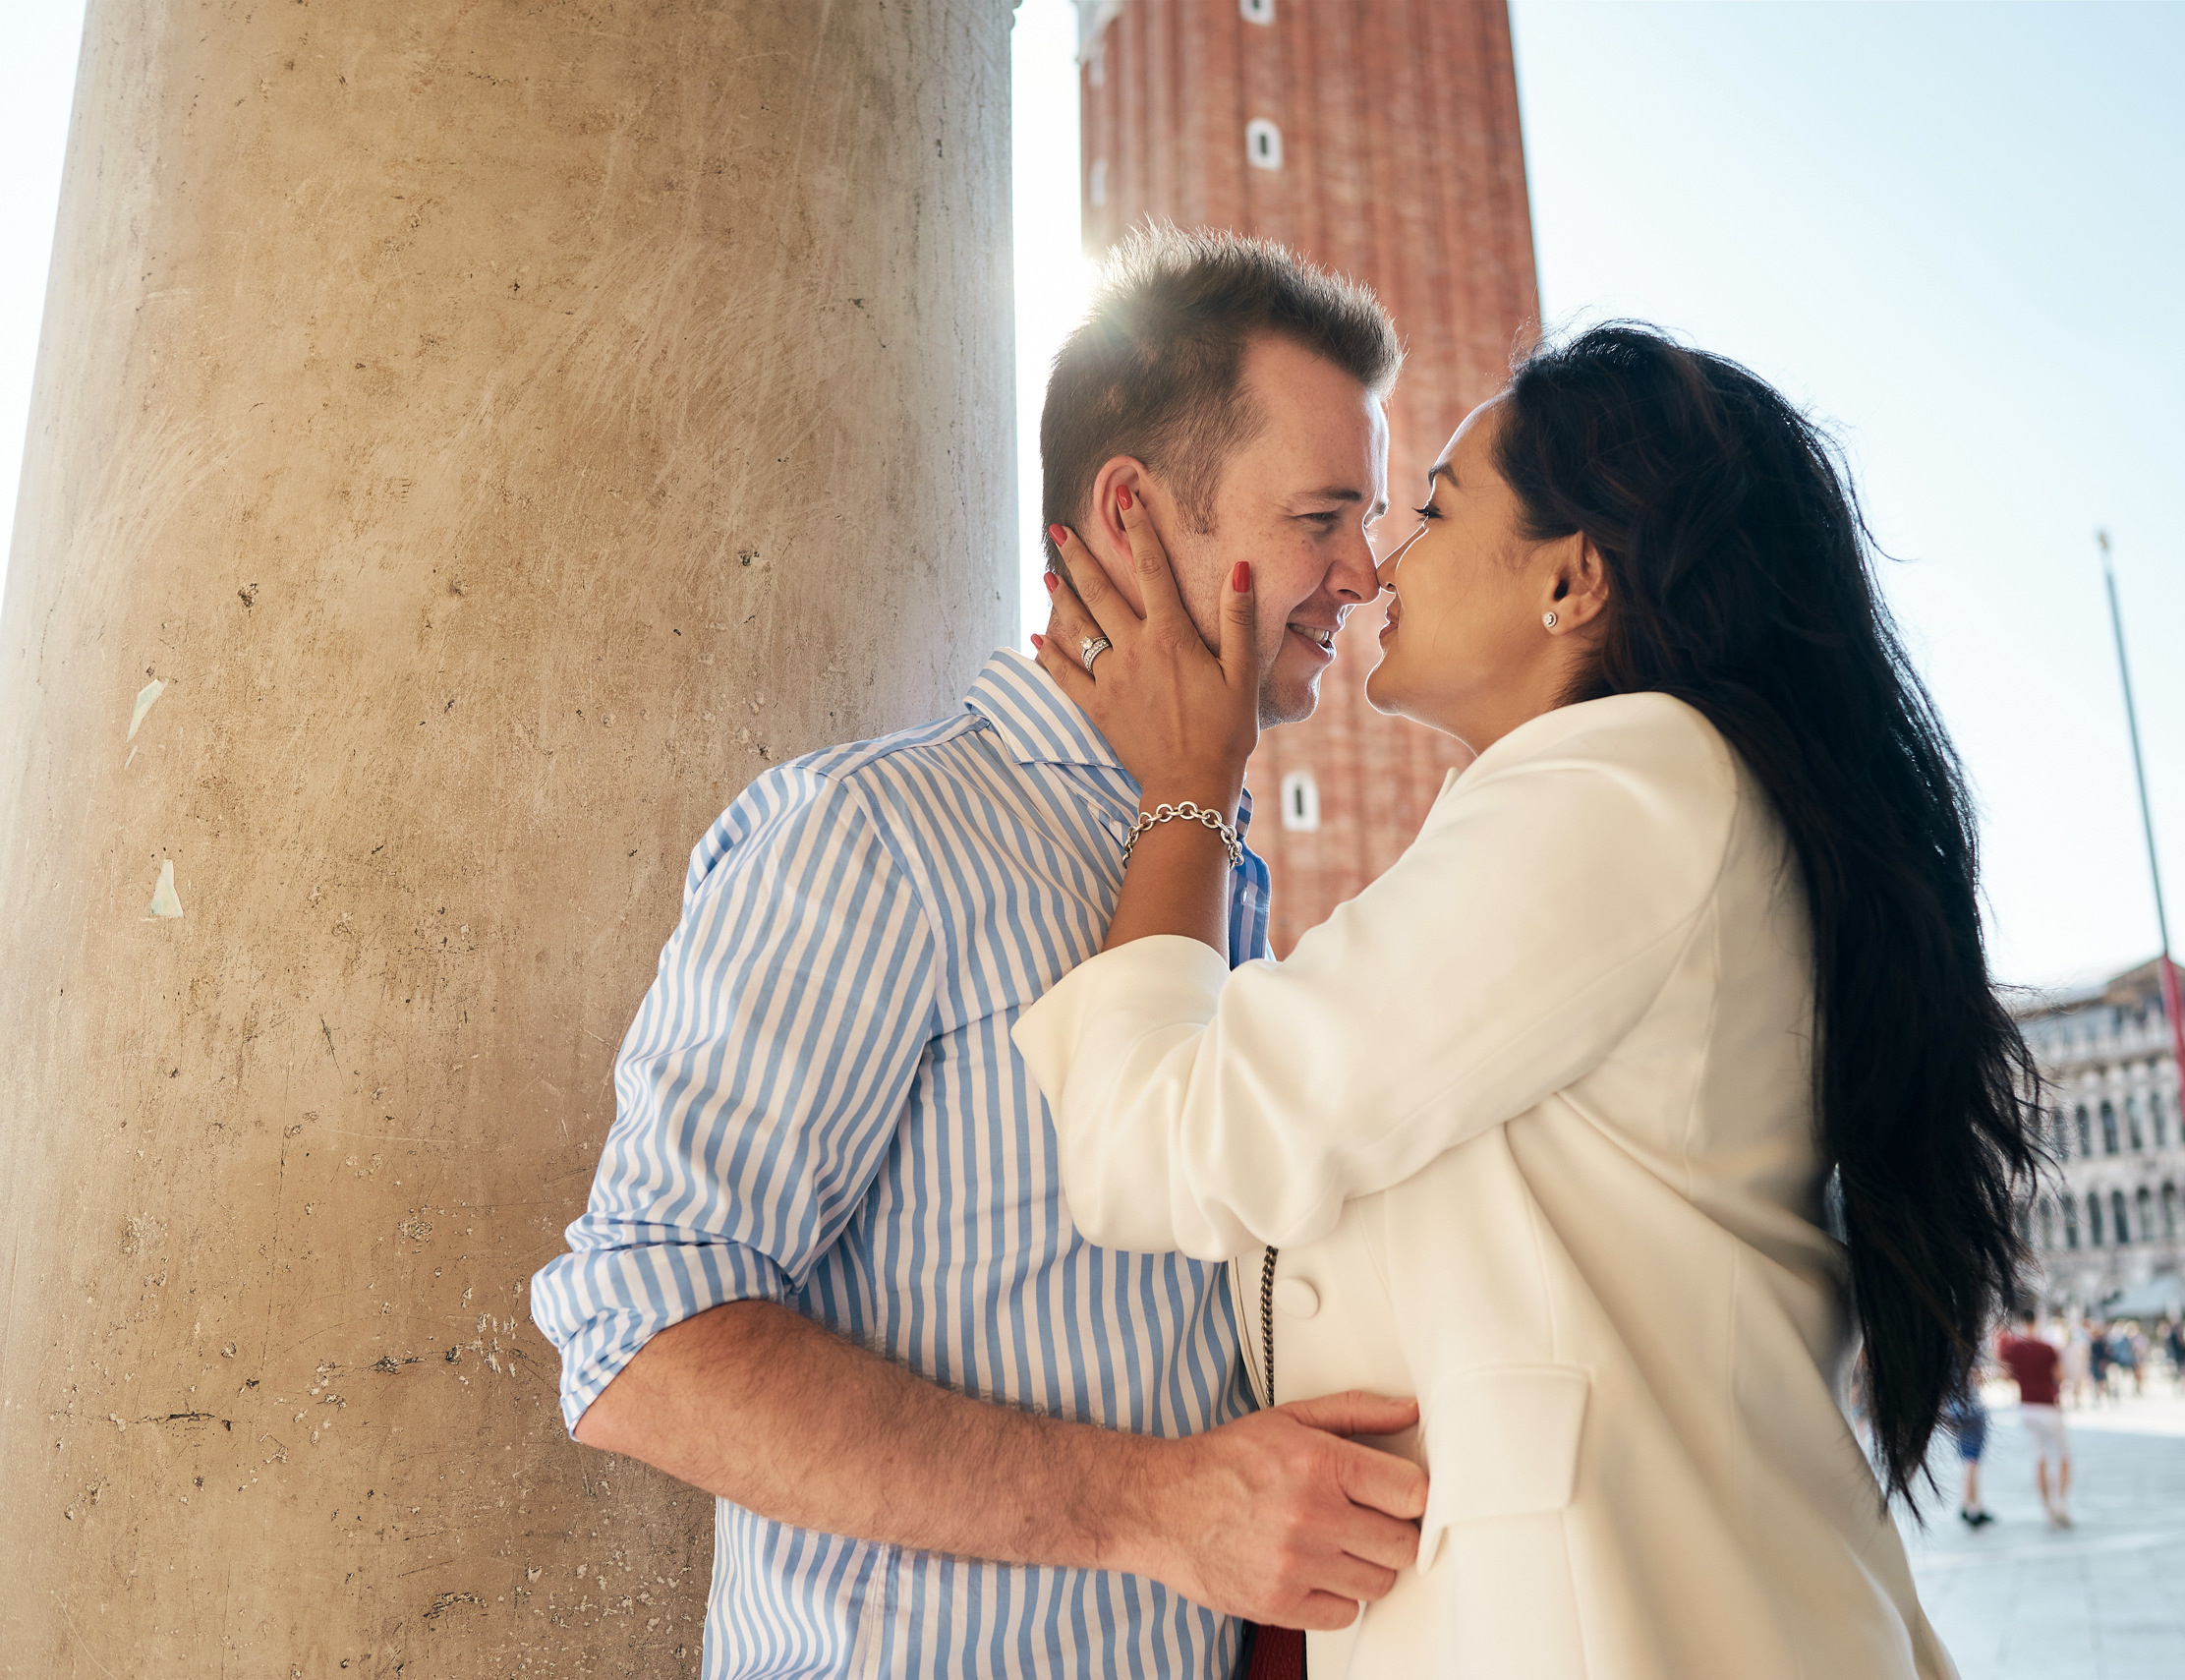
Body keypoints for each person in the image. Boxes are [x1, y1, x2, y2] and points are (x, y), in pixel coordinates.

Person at [1015, 323, 2041, 1675]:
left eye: (1432, 511)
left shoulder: (1625, 788)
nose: (1379, 566)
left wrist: (1187, 791)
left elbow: (1155, 1143)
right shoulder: (1629, 796)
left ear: (1571, 577)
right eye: (1343, 520)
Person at [528, 227, 1432, 1677]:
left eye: (1371, 519)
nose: (1367, 573)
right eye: (1324, 516)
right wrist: (1159, 1508)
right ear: (1131, 513)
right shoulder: (878, 834)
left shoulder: (1224, 885)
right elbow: (643, 1338)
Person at [1996, 1316, 2072, 1530]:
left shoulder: (2013, 1348)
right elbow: (2060, 1376)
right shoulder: (2048, 1348)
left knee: (2040, 1457)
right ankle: (2060, 1503)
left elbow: (2004, 1375)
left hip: (2027, 1407)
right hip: (2048, 1406)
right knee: (2063, 1456)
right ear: (2036, 1322)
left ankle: (2047, 1508)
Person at [1949, 1367, 1995, 1529]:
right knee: (1972, 1460)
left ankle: (1975, 1505)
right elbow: (1977, 1378)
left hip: (1953, 1411)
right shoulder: (1967, 1356)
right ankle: (1968, 1506)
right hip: (1971, 1411)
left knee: (1967, 1459)